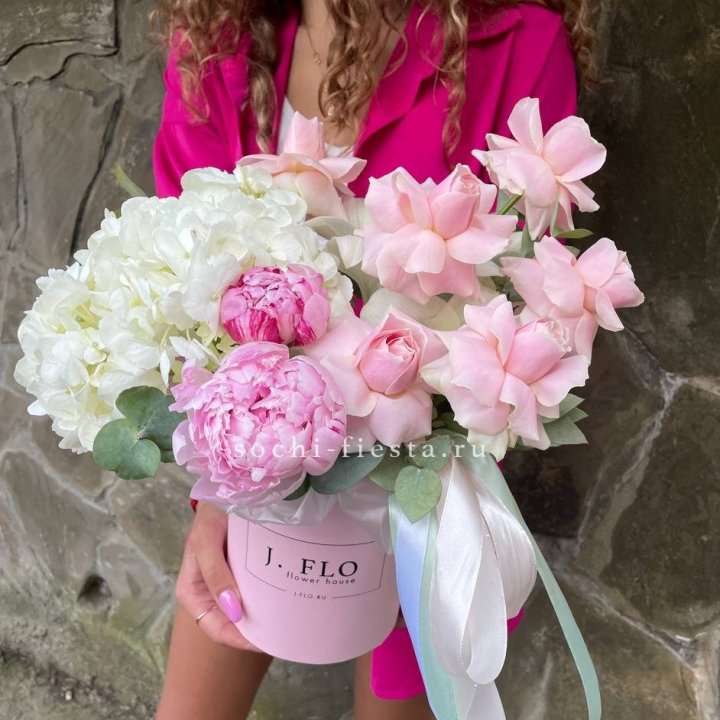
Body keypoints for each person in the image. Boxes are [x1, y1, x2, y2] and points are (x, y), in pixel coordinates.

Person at [150, 1, 595, 718]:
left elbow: (535, 292)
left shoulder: (515, 39)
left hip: (420, 493)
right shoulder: (217, 40)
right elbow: (178, 281)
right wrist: (218, 494)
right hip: (258, 481)